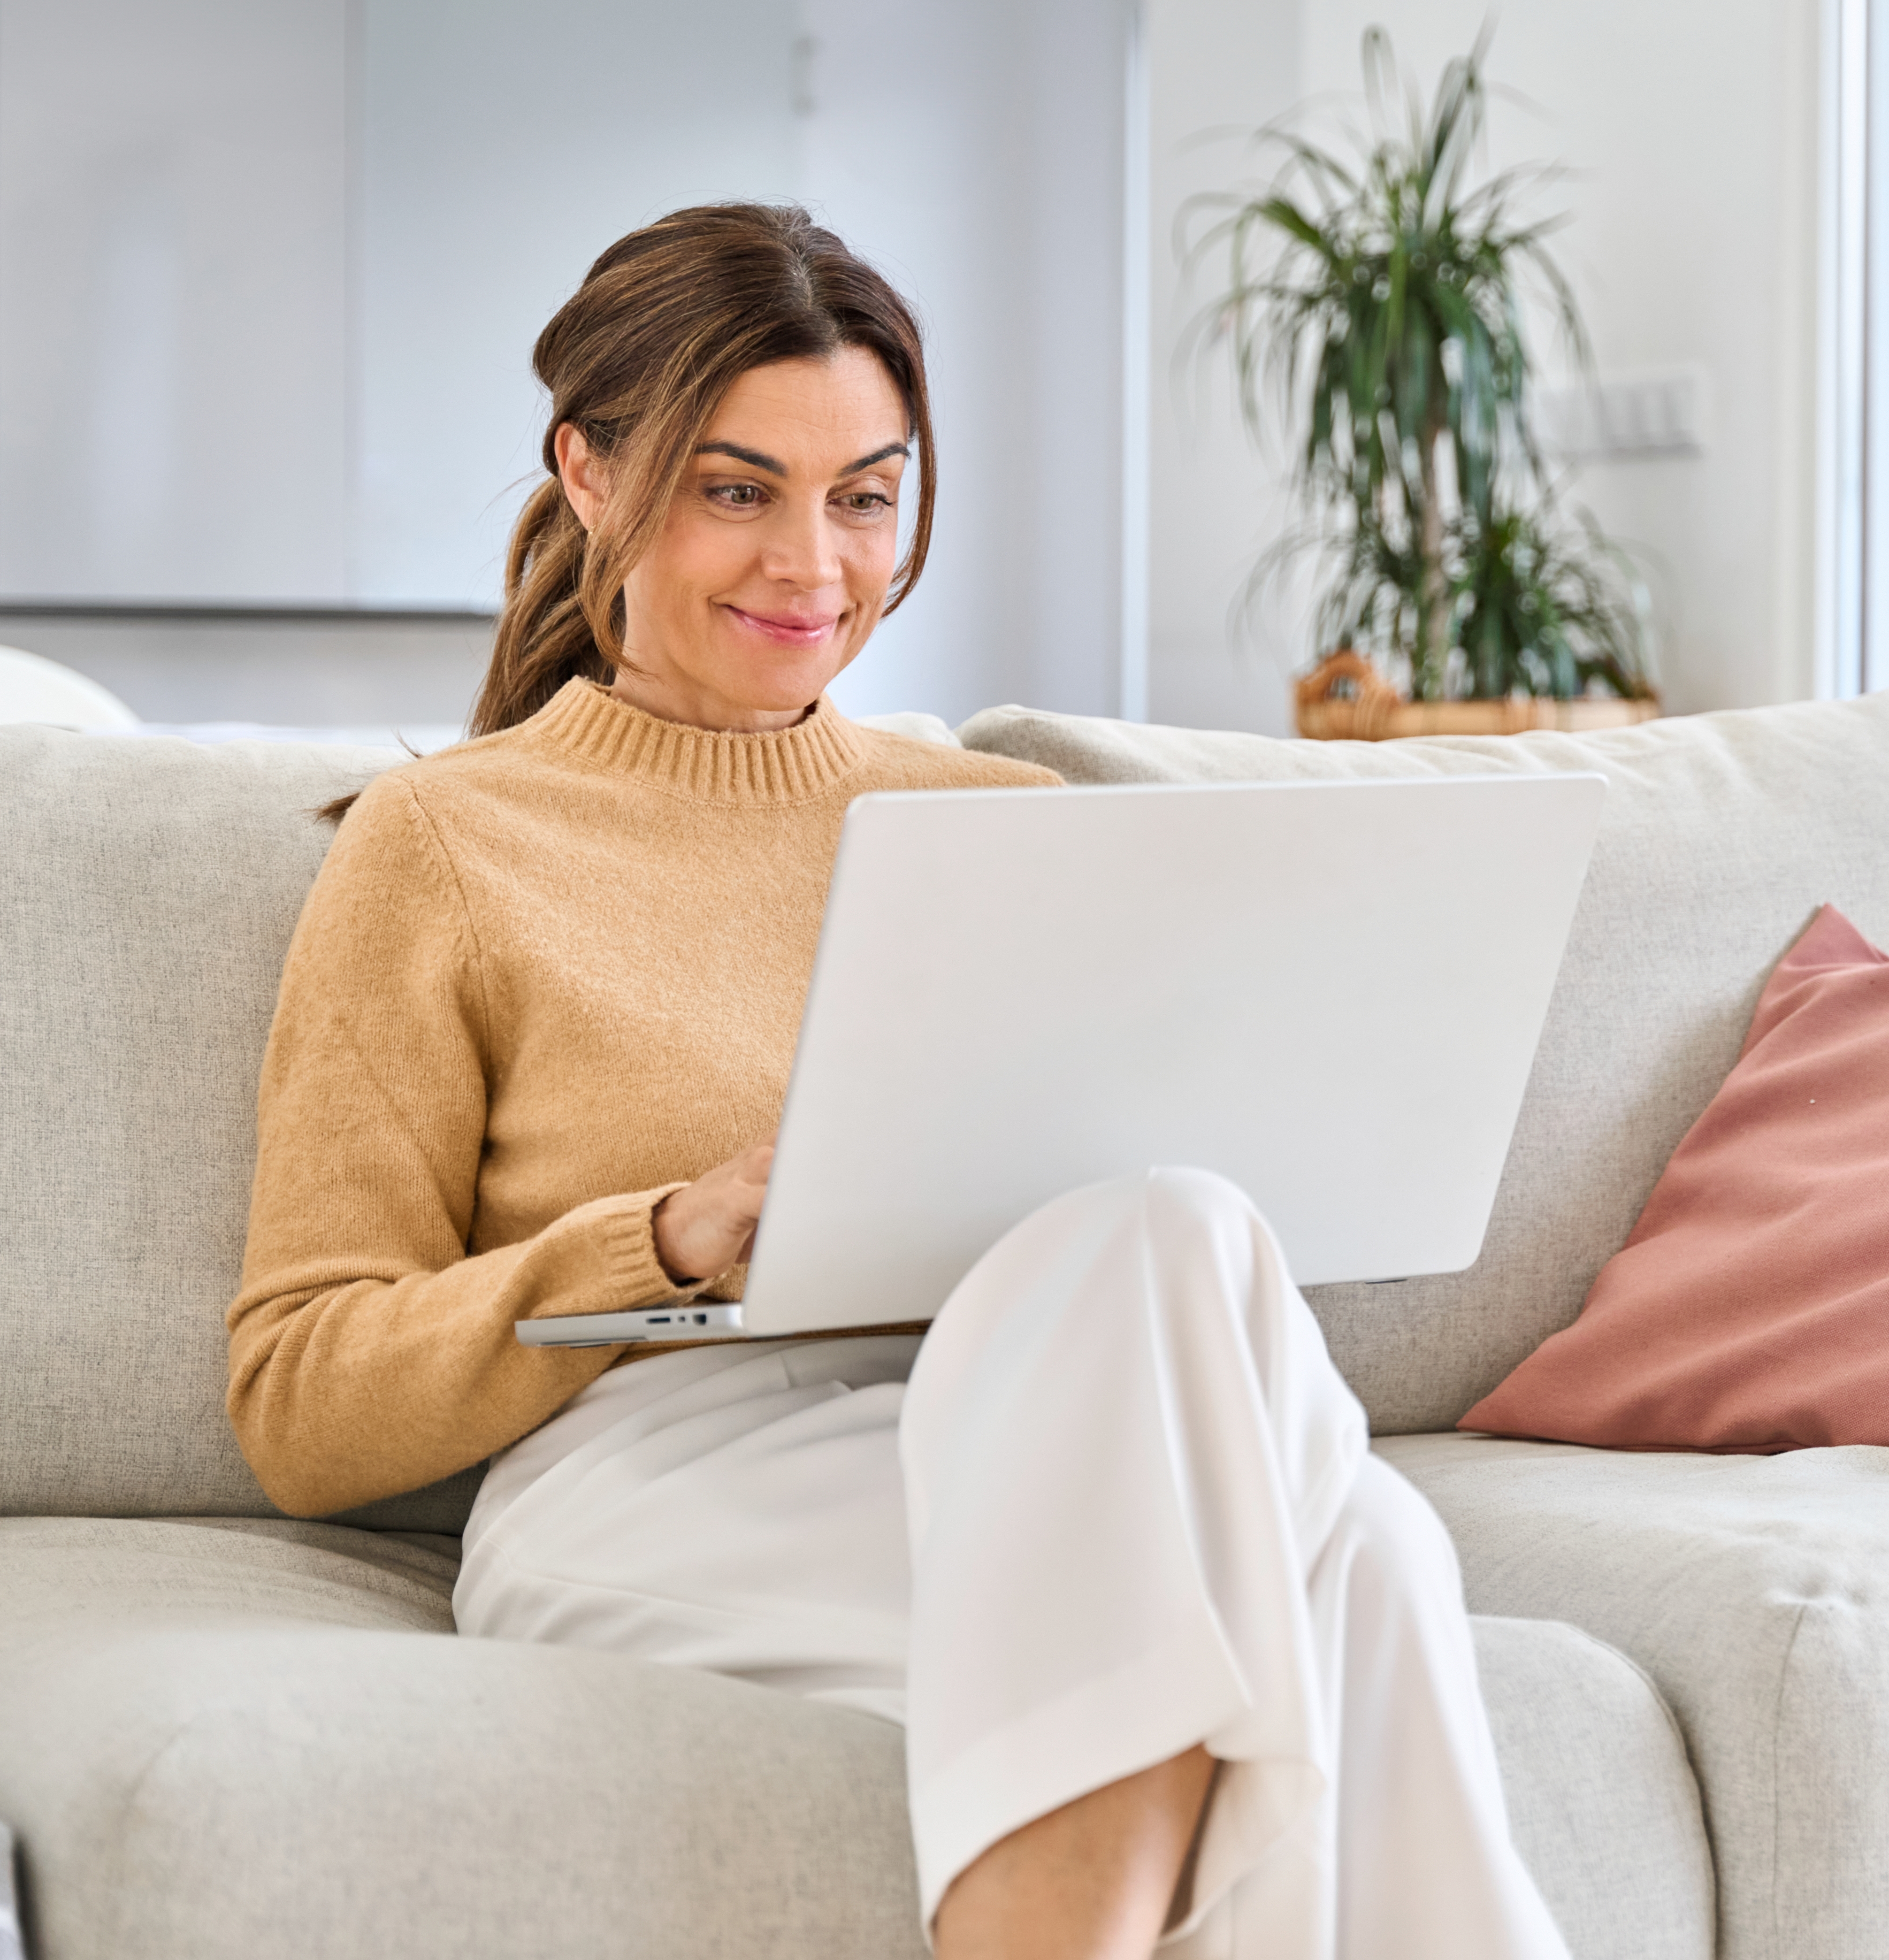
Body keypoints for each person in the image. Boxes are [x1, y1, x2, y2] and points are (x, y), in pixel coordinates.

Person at [225, 202, 1568, 1960]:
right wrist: (664, 1238)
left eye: (865, 495)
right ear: (589, 474)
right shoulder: (447, 847)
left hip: (1032, 1434)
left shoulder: (1004, 833)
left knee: (1279, 1396)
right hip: (670, 1480)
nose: (813, 562)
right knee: (1349, 1553)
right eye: (735, 490)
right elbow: (302, 1400)